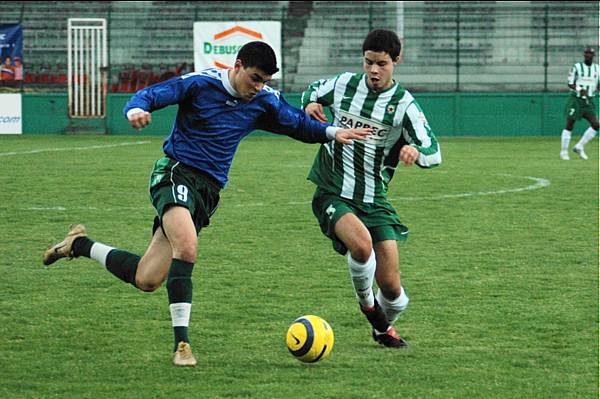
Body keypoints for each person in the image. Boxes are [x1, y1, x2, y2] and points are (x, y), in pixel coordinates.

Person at [42, 41, 370, 367]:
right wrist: (135, 109)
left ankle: (79, 244)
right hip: (176, 174)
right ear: (238, 65)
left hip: (207, 194)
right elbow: (154, 94)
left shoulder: (263, 101)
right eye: (255, 78)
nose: (258, 87)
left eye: (265, 82)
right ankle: (182, 345)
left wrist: (330, 132)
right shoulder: (201, 84)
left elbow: (296, 123)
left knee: (147, 278)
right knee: (186, 247)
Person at [302, 29, 441, 348]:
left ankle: (381, 328)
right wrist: (310, 104)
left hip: (374, 199)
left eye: (381, 64)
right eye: (368, 63)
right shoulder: (343, 85)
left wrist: (417, 153)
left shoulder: (404, 105)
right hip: (332, 189)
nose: (374, 71)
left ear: (396, 60)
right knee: (361, 246)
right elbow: (312, 90)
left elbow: (434, 150)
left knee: (394, 292)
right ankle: (369, 308)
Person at [559, 46, 599, 160]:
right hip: (576, 99)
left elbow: (598, 84)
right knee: (570, 124)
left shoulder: (597, 69)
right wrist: (579, 89)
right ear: (584, 55)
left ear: (593, 56)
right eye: (586, 53)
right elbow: (570, 83)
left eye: (590, 54)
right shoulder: (577, 67)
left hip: (589, 100)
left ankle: (579, 146)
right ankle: (564, 152)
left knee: (596, 124)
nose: (588, 55)